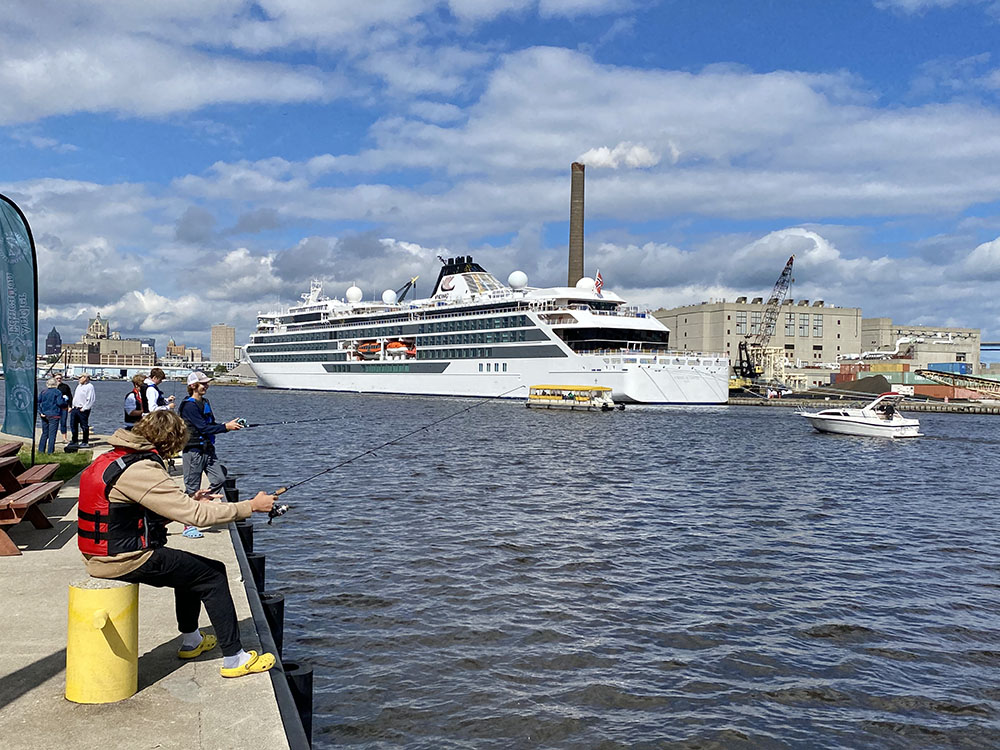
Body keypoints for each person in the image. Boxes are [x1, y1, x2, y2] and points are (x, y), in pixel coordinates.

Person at [78, 410, 277, 678]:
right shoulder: (141, 468)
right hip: (122, 560)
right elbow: (196, 517)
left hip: (104, 554)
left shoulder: (113, 458)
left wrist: (191, 498)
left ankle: (192, 641)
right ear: (170, 442)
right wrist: (250, 506)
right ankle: (235, 659)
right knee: (213, 574)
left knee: (189, 571)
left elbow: (133, 513)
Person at [178, 371, 244, 539]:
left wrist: (230, 425)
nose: (206, 386)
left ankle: (203, 504)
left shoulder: (205, 402)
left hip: (208, 450)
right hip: (193, 451)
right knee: (192, 488)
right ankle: (188, 525)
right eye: (203, 383)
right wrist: (225, 427)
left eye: (207, 383)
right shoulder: (189, 405)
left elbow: (211, 424)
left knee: (220, 479)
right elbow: (202, 428)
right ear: (193, 386)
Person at [37, 377, 66, 453]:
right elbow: (60, 403)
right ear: (55, 384)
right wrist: (65, 401)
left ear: (47, 384)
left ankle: (41, 450)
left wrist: (40, 412)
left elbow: (38, 402)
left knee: (44, 433)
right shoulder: (57, 392)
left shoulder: (43, 392)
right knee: (52, 434)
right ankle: (50, 451)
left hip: (44, 414)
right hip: (54, 414)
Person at [70, 374, 96, 447]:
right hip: (75, 408)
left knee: (84, 426)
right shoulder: (79, 386)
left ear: (85, 378)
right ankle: (74, 440)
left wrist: (84, 408)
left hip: (82, 409)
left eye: (80, 377)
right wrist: (72, 406)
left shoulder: (89, 387)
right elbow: (76, 397)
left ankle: (85, 442)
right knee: (73, 425)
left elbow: (91, 399)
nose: (79, 379)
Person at [54, 373, 73, 443]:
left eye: (60, 378)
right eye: (57, 378)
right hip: (54, 408)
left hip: (64, 407)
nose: (59, 380)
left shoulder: (65, 386)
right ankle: (53, 438)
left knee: (63, 422)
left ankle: (64, 438)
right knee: (54, 423)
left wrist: (70, 406)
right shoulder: (52, 386)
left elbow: (70, 396)